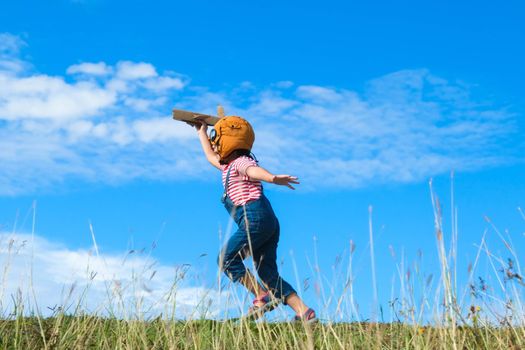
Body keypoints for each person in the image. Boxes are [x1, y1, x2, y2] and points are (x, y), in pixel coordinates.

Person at [191, 115, 316, 322]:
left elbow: (253, 171)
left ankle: (260, 296)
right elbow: (210, 157)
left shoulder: (241, 162)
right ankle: (304, 311)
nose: (215, 147)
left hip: (255, 218)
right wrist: (201, 132)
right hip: (268, 222)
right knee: (267, 272)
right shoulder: (227, 168)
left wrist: (272, 178)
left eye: (217, 142)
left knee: (227, 259)